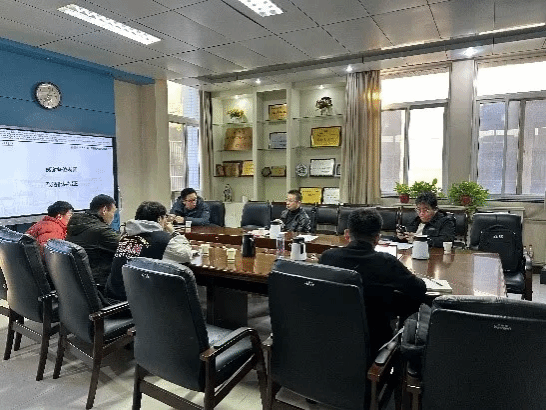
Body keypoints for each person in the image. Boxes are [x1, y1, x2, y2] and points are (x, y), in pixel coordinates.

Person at [319, 208, 427, 354]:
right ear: (377, 238)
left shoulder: (327, 257)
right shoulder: (387, 262)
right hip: (375, 343)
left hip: (330, 338)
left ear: (347, 234)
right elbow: (420, 289)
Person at [106, 201, 192, 302]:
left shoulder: (125, 235)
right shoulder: (162, 240)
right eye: (165, 217)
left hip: (112, 296)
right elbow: (187, 255)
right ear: (159, 219)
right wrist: (173, 232)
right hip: (137, 303)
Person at [66, 194, 120, 289]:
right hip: (101, 282)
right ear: (104, 210)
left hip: (81, 282)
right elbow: (127, 247)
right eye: (113, 213)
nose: (113, 217)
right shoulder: (100, 230)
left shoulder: (77, 224)